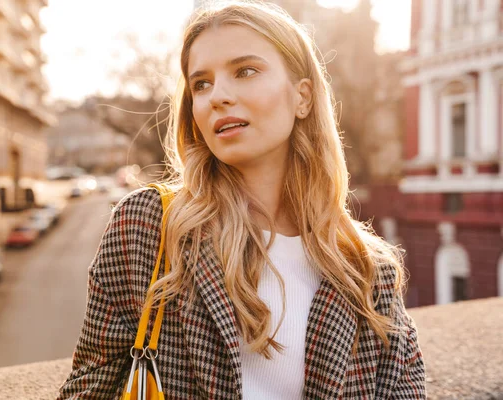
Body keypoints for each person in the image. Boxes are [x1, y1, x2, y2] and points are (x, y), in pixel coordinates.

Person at [57, 1, 426, 399]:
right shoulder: (149, 225)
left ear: (302, 97)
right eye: (201, 84)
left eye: (245, 71)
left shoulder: (370, 270)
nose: (218, 96)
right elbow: (89, 387)